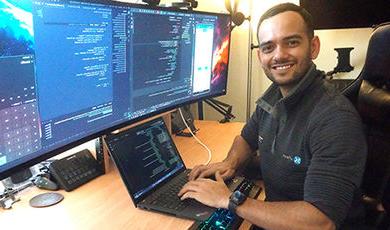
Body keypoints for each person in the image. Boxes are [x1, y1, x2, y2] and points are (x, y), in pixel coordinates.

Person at [178, 3, 367, 230]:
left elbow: (320, 222)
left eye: (292, 42)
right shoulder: (273, 97)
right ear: (260, 56)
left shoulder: (335, 119)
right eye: (268, 47)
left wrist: (229, 200)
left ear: (314, 47)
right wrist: (230, 163)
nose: (279, 55)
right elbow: (246, 139)